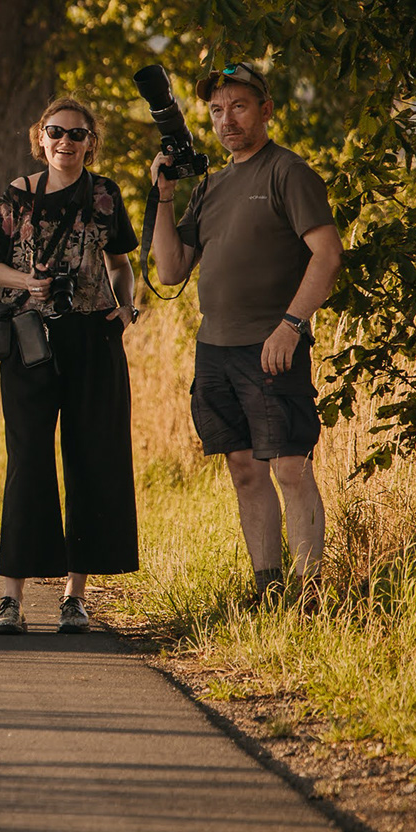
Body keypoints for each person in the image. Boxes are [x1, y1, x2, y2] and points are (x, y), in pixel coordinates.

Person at [150, 62, 341, 602]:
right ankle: (268, 589)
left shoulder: (288, 172)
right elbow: (169, 270)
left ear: (265, 109)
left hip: (272, 346)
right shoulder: (212, 184)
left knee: (289, 467)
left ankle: (309, 596)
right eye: (216, 110)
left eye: (238, 106)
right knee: (243, 469)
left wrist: (291, 325)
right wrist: (163, 195)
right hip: (215, 348)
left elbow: (327, 256)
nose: (226, 119)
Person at [0, 98, 141, 635]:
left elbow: (121, 262)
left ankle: (74, 597)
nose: (66, 143)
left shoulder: (104, 194)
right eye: (56, 133)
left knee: (91, 459)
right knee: (27, 460)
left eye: (77, 134)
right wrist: (28, 283)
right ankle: (11, 599)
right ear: (40, 138)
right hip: (31, 341)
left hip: (95, 336)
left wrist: (127, 305)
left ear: (91, 141)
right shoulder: (18, 195)